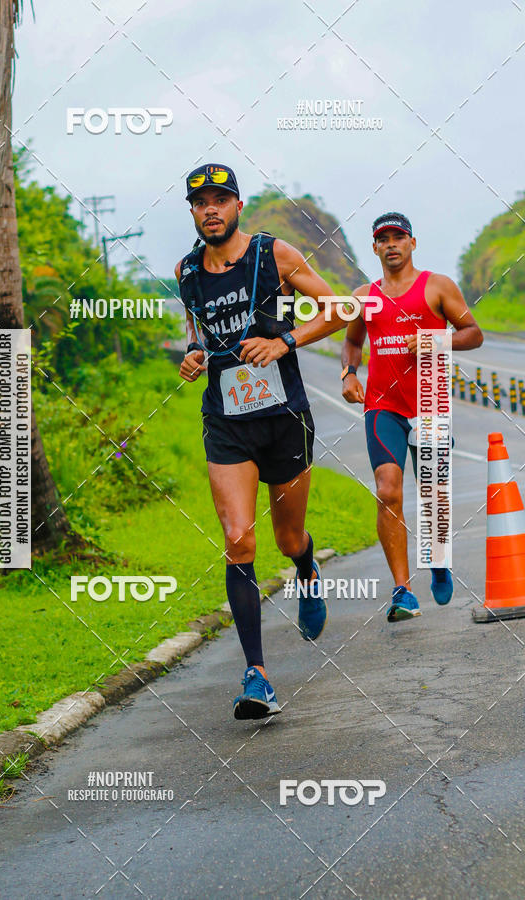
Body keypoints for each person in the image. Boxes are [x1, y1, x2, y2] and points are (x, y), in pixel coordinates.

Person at [175, 163, 349, 720]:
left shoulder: (274, 255)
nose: (211, 210)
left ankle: (306, 566)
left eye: (220, 199)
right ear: (192, 211)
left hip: (284, 417)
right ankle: (257, 675)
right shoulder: (185, 272)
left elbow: (339, 310)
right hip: (226, 421)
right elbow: (199, 333)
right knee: (238, 540)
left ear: (237, 206)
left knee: (287, 535)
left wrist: (286, 342)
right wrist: (195, 356)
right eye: (201, 202)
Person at [341, 212, 483, 622]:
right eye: (382, 239)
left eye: (398, 237)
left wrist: (433, 339)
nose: (391, 244)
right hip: (381, 406)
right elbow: (352, 342)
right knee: (388, 491)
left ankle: (437, 560)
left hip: (430, 402)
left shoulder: (437, 286)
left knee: (431, 494)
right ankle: (402, 590)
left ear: (412, 243)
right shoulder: (364, 295)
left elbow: (473, 333)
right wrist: (349, 373)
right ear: (374, 247)